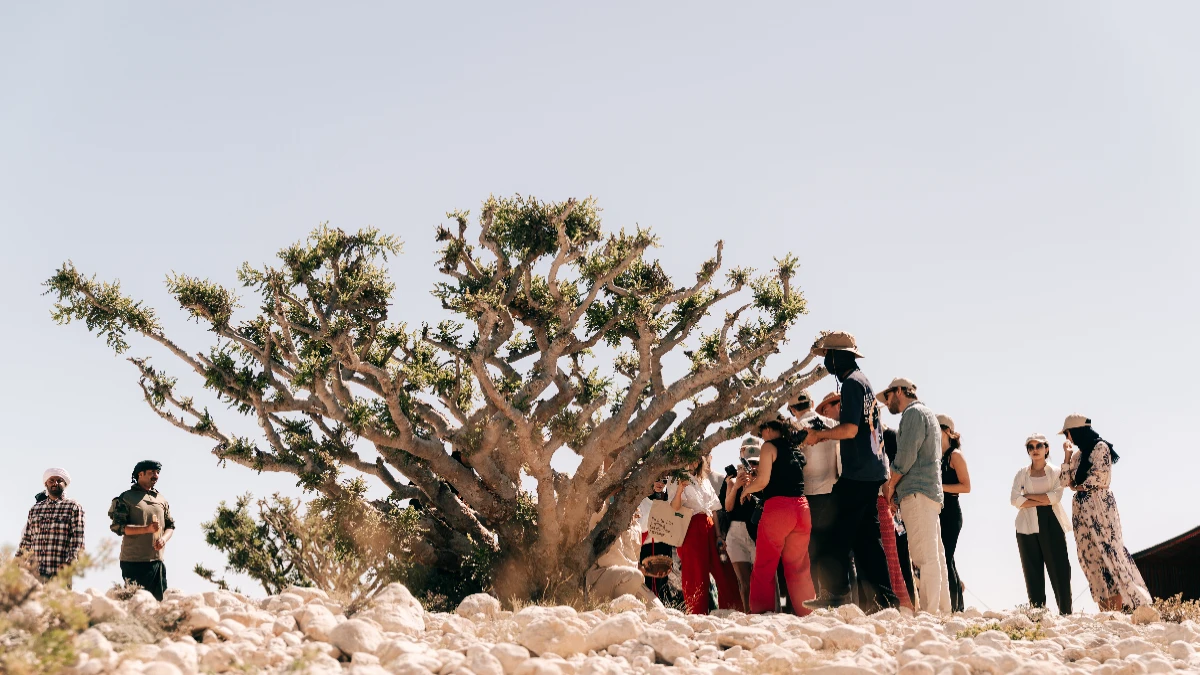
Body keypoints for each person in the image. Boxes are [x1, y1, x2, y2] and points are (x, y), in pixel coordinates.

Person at [802, 331, 898, 610]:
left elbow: (851, 430)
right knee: (866, 539)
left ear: (837, 357)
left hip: (859, 471)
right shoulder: (862, 382)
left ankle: (835, 595)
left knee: (833, 531)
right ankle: (885, 602)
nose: (826, 362)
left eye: (828, 356)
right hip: (872, 469)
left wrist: (818, 436)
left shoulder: (852, 385)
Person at [1059, 415, 1151, 611]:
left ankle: (1129, 606)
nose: (1068, 438)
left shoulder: (1100, 447)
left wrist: (1078, 486)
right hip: (1081, 509)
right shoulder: (1076, 456)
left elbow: (1098, 477)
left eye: (1068, 433)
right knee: (1090, 556)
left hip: (1100, 506)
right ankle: (1105, 611)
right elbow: (1065, 482)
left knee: (1109, 553)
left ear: (1076, 431)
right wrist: (1067, 458)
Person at [880, 378, 950, 614]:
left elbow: (906, 457)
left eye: (888, 396)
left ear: (899, 391)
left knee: (924, 556)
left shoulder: (912, 414)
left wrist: (890, 486)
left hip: (917, 493)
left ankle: (930, 613)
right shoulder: (928, 413)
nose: (887, 403)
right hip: (930, 492)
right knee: (935, 555)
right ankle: (942, 610)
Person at [741, 418, 815, 614]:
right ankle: (807, 612)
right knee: (798, 567)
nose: (761, 437)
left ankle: (761, 614)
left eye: (761, 432)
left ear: (768, 428)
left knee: (764, 566)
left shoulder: (769, 446)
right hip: (802, 508)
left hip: (779, 509)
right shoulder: (795, 449)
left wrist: (745, 490)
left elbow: (763, 481)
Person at [667, 455, 743, 613]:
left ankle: (732, 611)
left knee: (724, 571)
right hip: (691, 527)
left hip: (710, 526)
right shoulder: (676, 478)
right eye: (690, 457)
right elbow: (674, 507)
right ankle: (697, 614)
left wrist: (719, 535)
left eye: (696, 458)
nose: (693, 461)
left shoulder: (704, 479)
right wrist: (680, 489)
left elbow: (714, 509)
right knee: (696, 574)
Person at [1010, 433, 1073, 614]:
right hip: (1025, 526)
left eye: (1039, 446)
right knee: (1032, 572)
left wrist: (1028, 497)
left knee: (1059, 569)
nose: (1035, 450)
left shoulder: (1054, 472)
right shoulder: (1021, 473)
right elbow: (1014, 500)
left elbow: (1056, 497)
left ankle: (1066, 614)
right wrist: (1042, 500)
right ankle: (1037, 614)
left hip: (1051, 522)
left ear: (1047, 449)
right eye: (1031, 447)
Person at [788, 390, 839, 600]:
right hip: (834, 493)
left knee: (811, 552)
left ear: (792, 409)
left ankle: (817, 599)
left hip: (808, 496)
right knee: (835, 551)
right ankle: (842, 598)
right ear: (812, 402)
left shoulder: (793, 430)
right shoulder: (834, 425)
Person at [109, 460, 175, 601]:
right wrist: (147, 529)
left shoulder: (161, 499)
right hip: (133, 561)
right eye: (152, 472)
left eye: (157, 473)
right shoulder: (126, 498)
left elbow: (171, 526)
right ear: (140, 474)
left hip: (157, 561)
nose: (156, 476)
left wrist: (164, 539)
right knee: (136, 602)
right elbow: (118, 527)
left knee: (159, 603)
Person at [18, 468, 86, 583]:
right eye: (52, 480)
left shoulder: (73, 507)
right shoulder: (35, 509)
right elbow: (27, 541)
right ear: (46, 483)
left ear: (65, 484)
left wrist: (70, 563)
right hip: (35, 573)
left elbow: (77, 540)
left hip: (59, 571)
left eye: (59, 480)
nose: (55, 483)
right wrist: (18, 563)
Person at [721, 438, 761, 612]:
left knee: (762, 577)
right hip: (735, 531)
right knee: (744, 581)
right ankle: (748, 615)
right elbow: (728, 507)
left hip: (757, 528)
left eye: (754, 461)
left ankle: (768, 612)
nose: (750, 465)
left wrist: (753, 484)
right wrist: (736, 485)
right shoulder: (731, 478)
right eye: (745, 453)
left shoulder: (765, 475)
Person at [937, 414, 971, 613]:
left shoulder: (955, 455)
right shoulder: (934, 456)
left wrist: (939, 487)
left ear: (948, 431)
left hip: (950, 512)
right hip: (936, 511)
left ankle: (955, 608)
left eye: (937, 427)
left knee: (946, 558)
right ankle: (957, 607)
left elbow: (966, 486)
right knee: (947, 559)